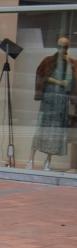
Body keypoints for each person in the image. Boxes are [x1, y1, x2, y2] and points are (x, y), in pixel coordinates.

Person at [30, 36, 74, 171]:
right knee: (41, 129)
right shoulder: (48, 61)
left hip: (61, 102)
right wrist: (57, 82)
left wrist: (69, 66)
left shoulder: (71, 63)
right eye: (60, 46)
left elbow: (69, 84)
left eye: (65, 47)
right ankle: (30, 159)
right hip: (49, 100)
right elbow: (43, 76)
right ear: (56, 46)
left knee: (54, 133)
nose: (62, 49)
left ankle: (48, 161)